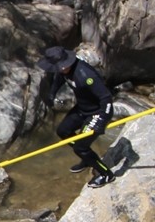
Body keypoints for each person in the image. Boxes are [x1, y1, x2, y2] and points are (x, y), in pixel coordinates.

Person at [37, 46, 117, 189]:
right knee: (63, 131)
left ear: (66, 63)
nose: (58, 70)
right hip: (82, 108)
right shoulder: (64, 71)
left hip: (98, 111)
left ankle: (106, 174)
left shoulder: (86, 75)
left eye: (59, 67)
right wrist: (52, 93)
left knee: (80, 147)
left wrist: (102, 121)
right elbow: (59, 79)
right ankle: (87, 159)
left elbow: (106, 98)